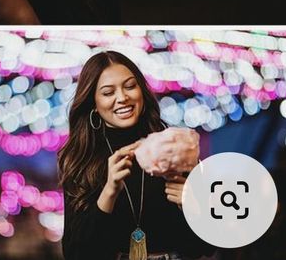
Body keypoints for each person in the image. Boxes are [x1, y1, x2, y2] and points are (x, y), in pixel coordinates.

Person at [58, 51, 213, 260]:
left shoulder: (173, 148)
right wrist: (109, 192)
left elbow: (203, 249)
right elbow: (76, 254)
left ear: (141, 90)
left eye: (130, 86)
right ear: (93, 102)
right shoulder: (81, 159)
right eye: (107, 92)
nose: (122, 98)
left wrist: (194, 206)